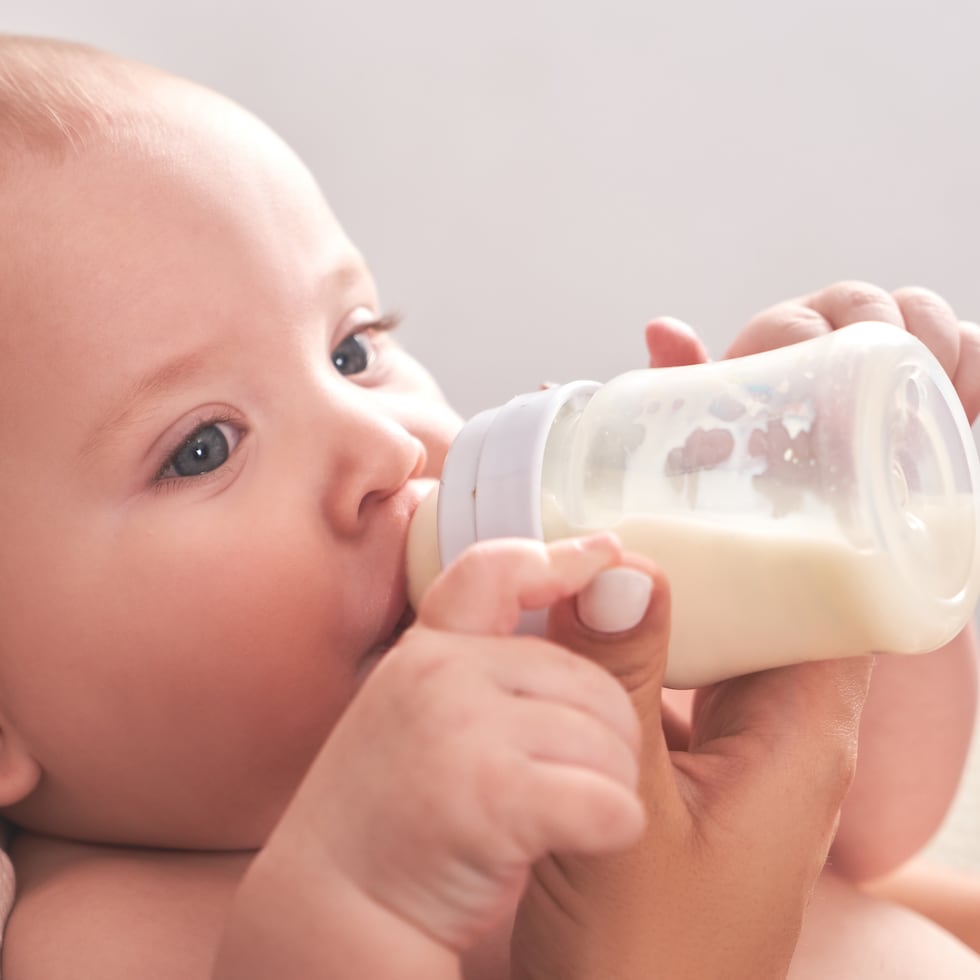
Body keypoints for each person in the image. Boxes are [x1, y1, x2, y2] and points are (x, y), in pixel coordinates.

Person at [0, 34, 977, 979]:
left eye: (350, 348)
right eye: (202, 447)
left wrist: (827, 536)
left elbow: (864, 825)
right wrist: (362, 895)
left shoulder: (561, 659)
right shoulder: (103, 933)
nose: (385, 445)